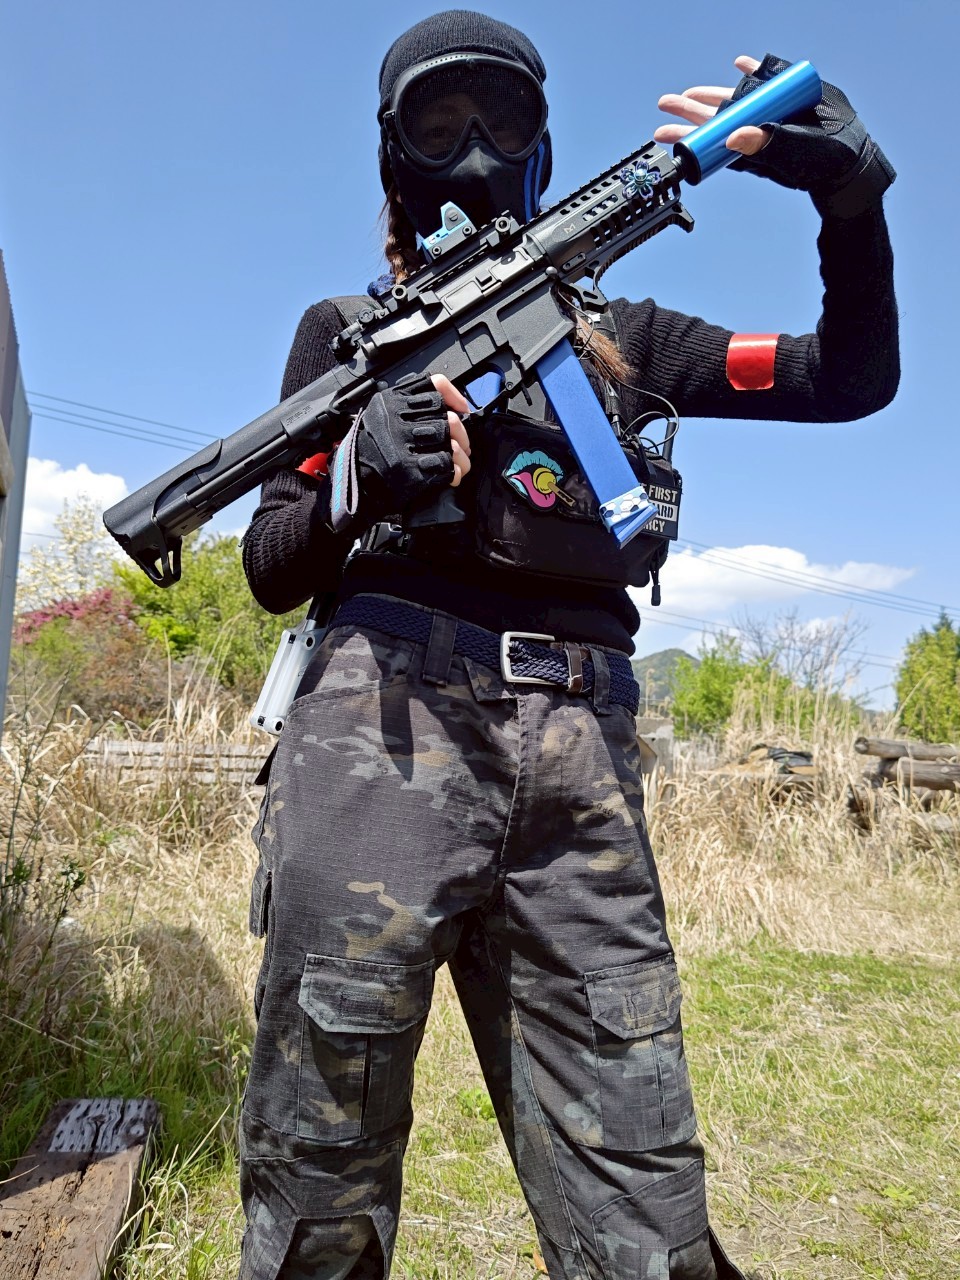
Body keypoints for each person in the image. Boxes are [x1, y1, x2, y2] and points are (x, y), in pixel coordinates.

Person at [238, 11, 897, 1279]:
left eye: (504, 119)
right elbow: (270, 563)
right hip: (378, 737)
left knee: (647, 1209)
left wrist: (854, 204)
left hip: (582, 756)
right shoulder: (348, 337)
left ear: (545, 142)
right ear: (396, 155)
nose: (476, 151)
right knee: (320, 1180)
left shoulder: (630, 336)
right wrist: (358, 477)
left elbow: (846, 375)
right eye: (441, 124)